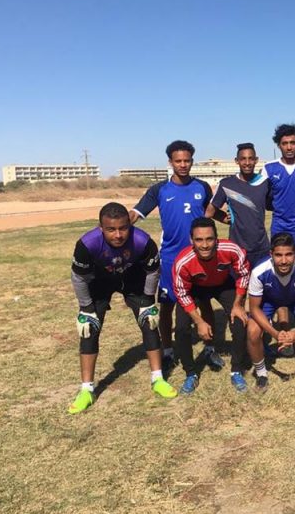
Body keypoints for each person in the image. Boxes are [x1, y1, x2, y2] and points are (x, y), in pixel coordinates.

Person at [68, 202, 177, 414]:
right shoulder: (87, 244)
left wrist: (148, 300)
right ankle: (86, 390)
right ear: (100, 228)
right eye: (111, 229)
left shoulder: (143, 241)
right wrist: (86, 308)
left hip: (133, 279)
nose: (118, 235)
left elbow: (153, 271)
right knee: (89, 328)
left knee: (149, 321)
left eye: (123, 228)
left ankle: (158, 379)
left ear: (130, 225)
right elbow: (78, 277)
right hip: (100, 281)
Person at [130, 140, 213, 372]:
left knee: (204, 301)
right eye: (178, 161)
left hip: (199, 257)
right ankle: (167, 350)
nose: (183, 165)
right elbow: (135, 214)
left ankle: (210, 348)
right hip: (170, 259)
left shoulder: (202, 187)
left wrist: (233, 219)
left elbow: (211, 212)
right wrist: (114, 229)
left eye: (187, 160)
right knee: (166, 306)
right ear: (170, 162)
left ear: (192, 161)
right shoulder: (159, 190)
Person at [172, 218, 251, 394]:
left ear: (217, 238)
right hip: (194, 288)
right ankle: (191, 373)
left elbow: (244, 273)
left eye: (209, 239)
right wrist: (199, 321)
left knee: (239, 322)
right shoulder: (183, 262)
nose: (205, 245)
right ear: (191, 240)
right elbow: (182, 294)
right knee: (182, 328)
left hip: (222, 284)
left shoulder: (231, 249)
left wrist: (238, 304)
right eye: (199, 240)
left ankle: (236, 370)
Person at [246, 233, 295, 390]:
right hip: (269, 300)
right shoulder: (259, 271)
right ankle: (261, 374)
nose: (283, 260)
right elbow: (254, 308)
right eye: (278, 255)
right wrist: (275, 334)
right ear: (271, 254)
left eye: (288, 254)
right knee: (252, 330)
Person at [206, 142, 271, 269]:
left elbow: (273, 205)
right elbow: (209, 212)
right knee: (238, 281)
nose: (247, 163)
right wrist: (225, 218)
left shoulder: (265, 183)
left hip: (261, 247)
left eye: (251, 158)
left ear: (256, 160)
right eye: (243, 159)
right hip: (236, 248)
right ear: (237, 161)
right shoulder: (227, 184)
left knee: (261, 281)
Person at [263, 123, 295, 264]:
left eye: (292, 143)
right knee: (281, 265)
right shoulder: (268, 168)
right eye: (284, 143)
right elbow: (262, 196)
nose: (289, 147)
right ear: (278, 145)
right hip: (280, 226)